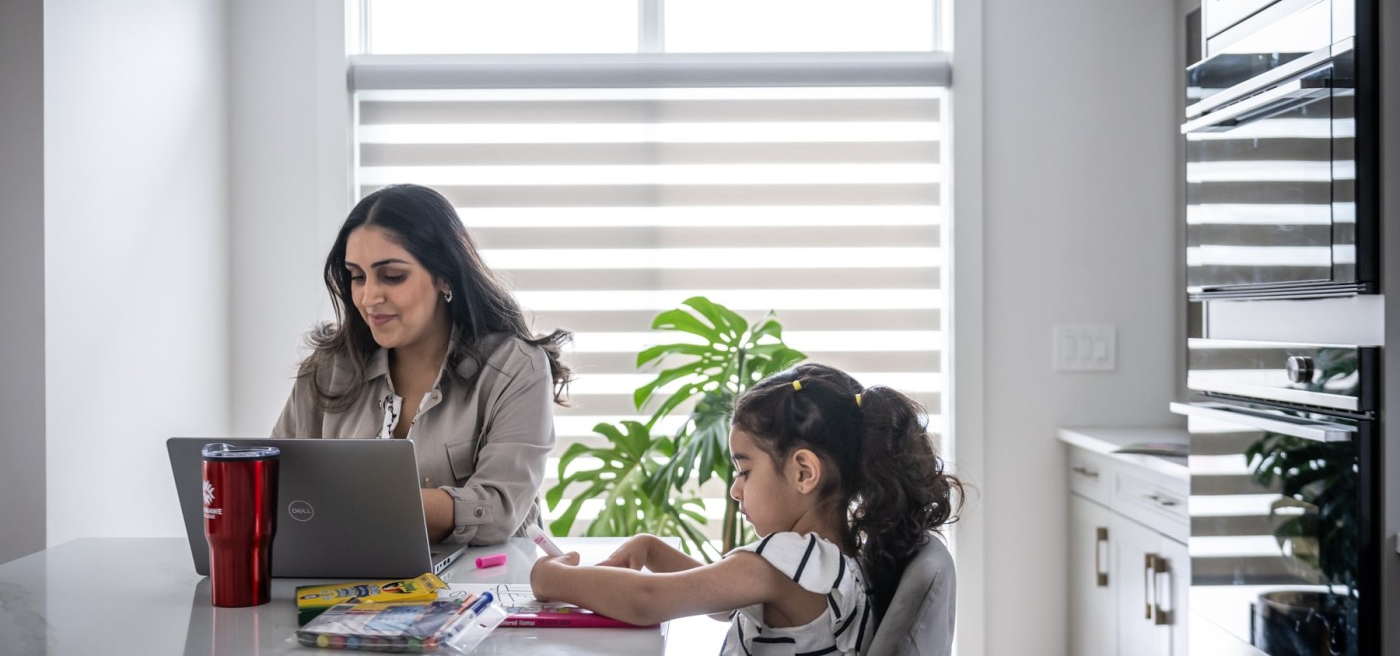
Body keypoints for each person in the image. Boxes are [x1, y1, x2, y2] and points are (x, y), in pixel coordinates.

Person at [530, 363, 963, 655]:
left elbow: (646, 601)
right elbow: (724, 605)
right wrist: (651, 549)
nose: (736, 491)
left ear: (803, 473)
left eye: (745, 470)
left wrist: (552, 577)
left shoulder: (788, 560)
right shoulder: (838, 555)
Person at [271, 184, 572, 545]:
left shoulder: (515, 367)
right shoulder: (327, 368)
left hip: (484, 585)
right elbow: (275, 482)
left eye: (392, 276)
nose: (368, 297)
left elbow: (500, 510)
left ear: (444, 275)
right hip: (351, 584)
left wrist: (362, 505)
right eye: (357, 276)